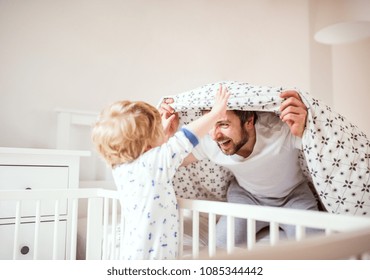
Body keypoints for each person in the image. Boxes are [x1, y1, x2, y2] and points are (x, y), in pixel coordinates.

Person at [160, 87, 321, 246]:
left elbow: (321, 148)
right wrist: (165, 135)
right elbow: (166, 161)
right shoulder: (210, 142)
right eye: (211, 124)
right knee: (220, 248)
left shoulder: (280, 131)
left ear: (249, 122)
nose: (215, 135)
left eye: (223, 124)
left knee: (316, 249)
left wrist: (307, 130)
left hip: (293, 196)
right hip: (247, 197)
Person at [91, 86, 230, 259]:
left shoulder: (119, 167)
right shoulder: (154, 163)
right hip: (155, 258)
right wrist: (215, 114)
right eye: (156, 129)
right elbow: (186, 137)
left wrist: (161, 135)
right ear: (147, 144)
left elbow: (149, 154)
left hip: (132, 254)